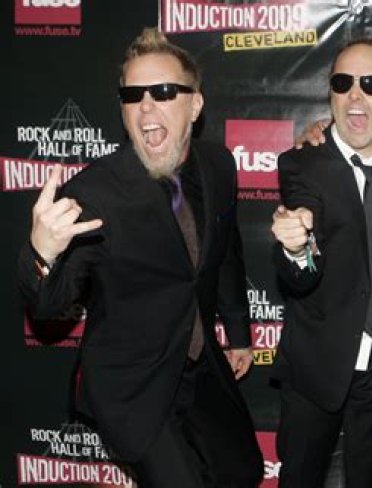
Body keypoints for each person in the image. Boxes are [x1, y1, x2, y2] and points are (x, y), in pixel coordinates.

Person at [17, 28, 263, 488]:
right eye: (133, 95)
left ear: (195, 105)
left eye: (164, 92)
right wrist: (42, 253)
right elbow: (49, 306)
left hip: (198, 364)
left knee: (242, 469)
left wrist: (238, 334)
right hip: (134, 382)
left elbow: (227, 252)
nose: (146, 106)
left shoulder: (218, 165)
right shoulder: (94, 193)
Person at [270, 37, 372, 488]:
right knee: (301, 477)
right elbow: (301, 272)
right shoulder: (301, 165)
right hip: (319, 360)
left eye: (371, 84)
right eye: (343, 83)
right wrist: (296, 248)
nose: (355, 94)